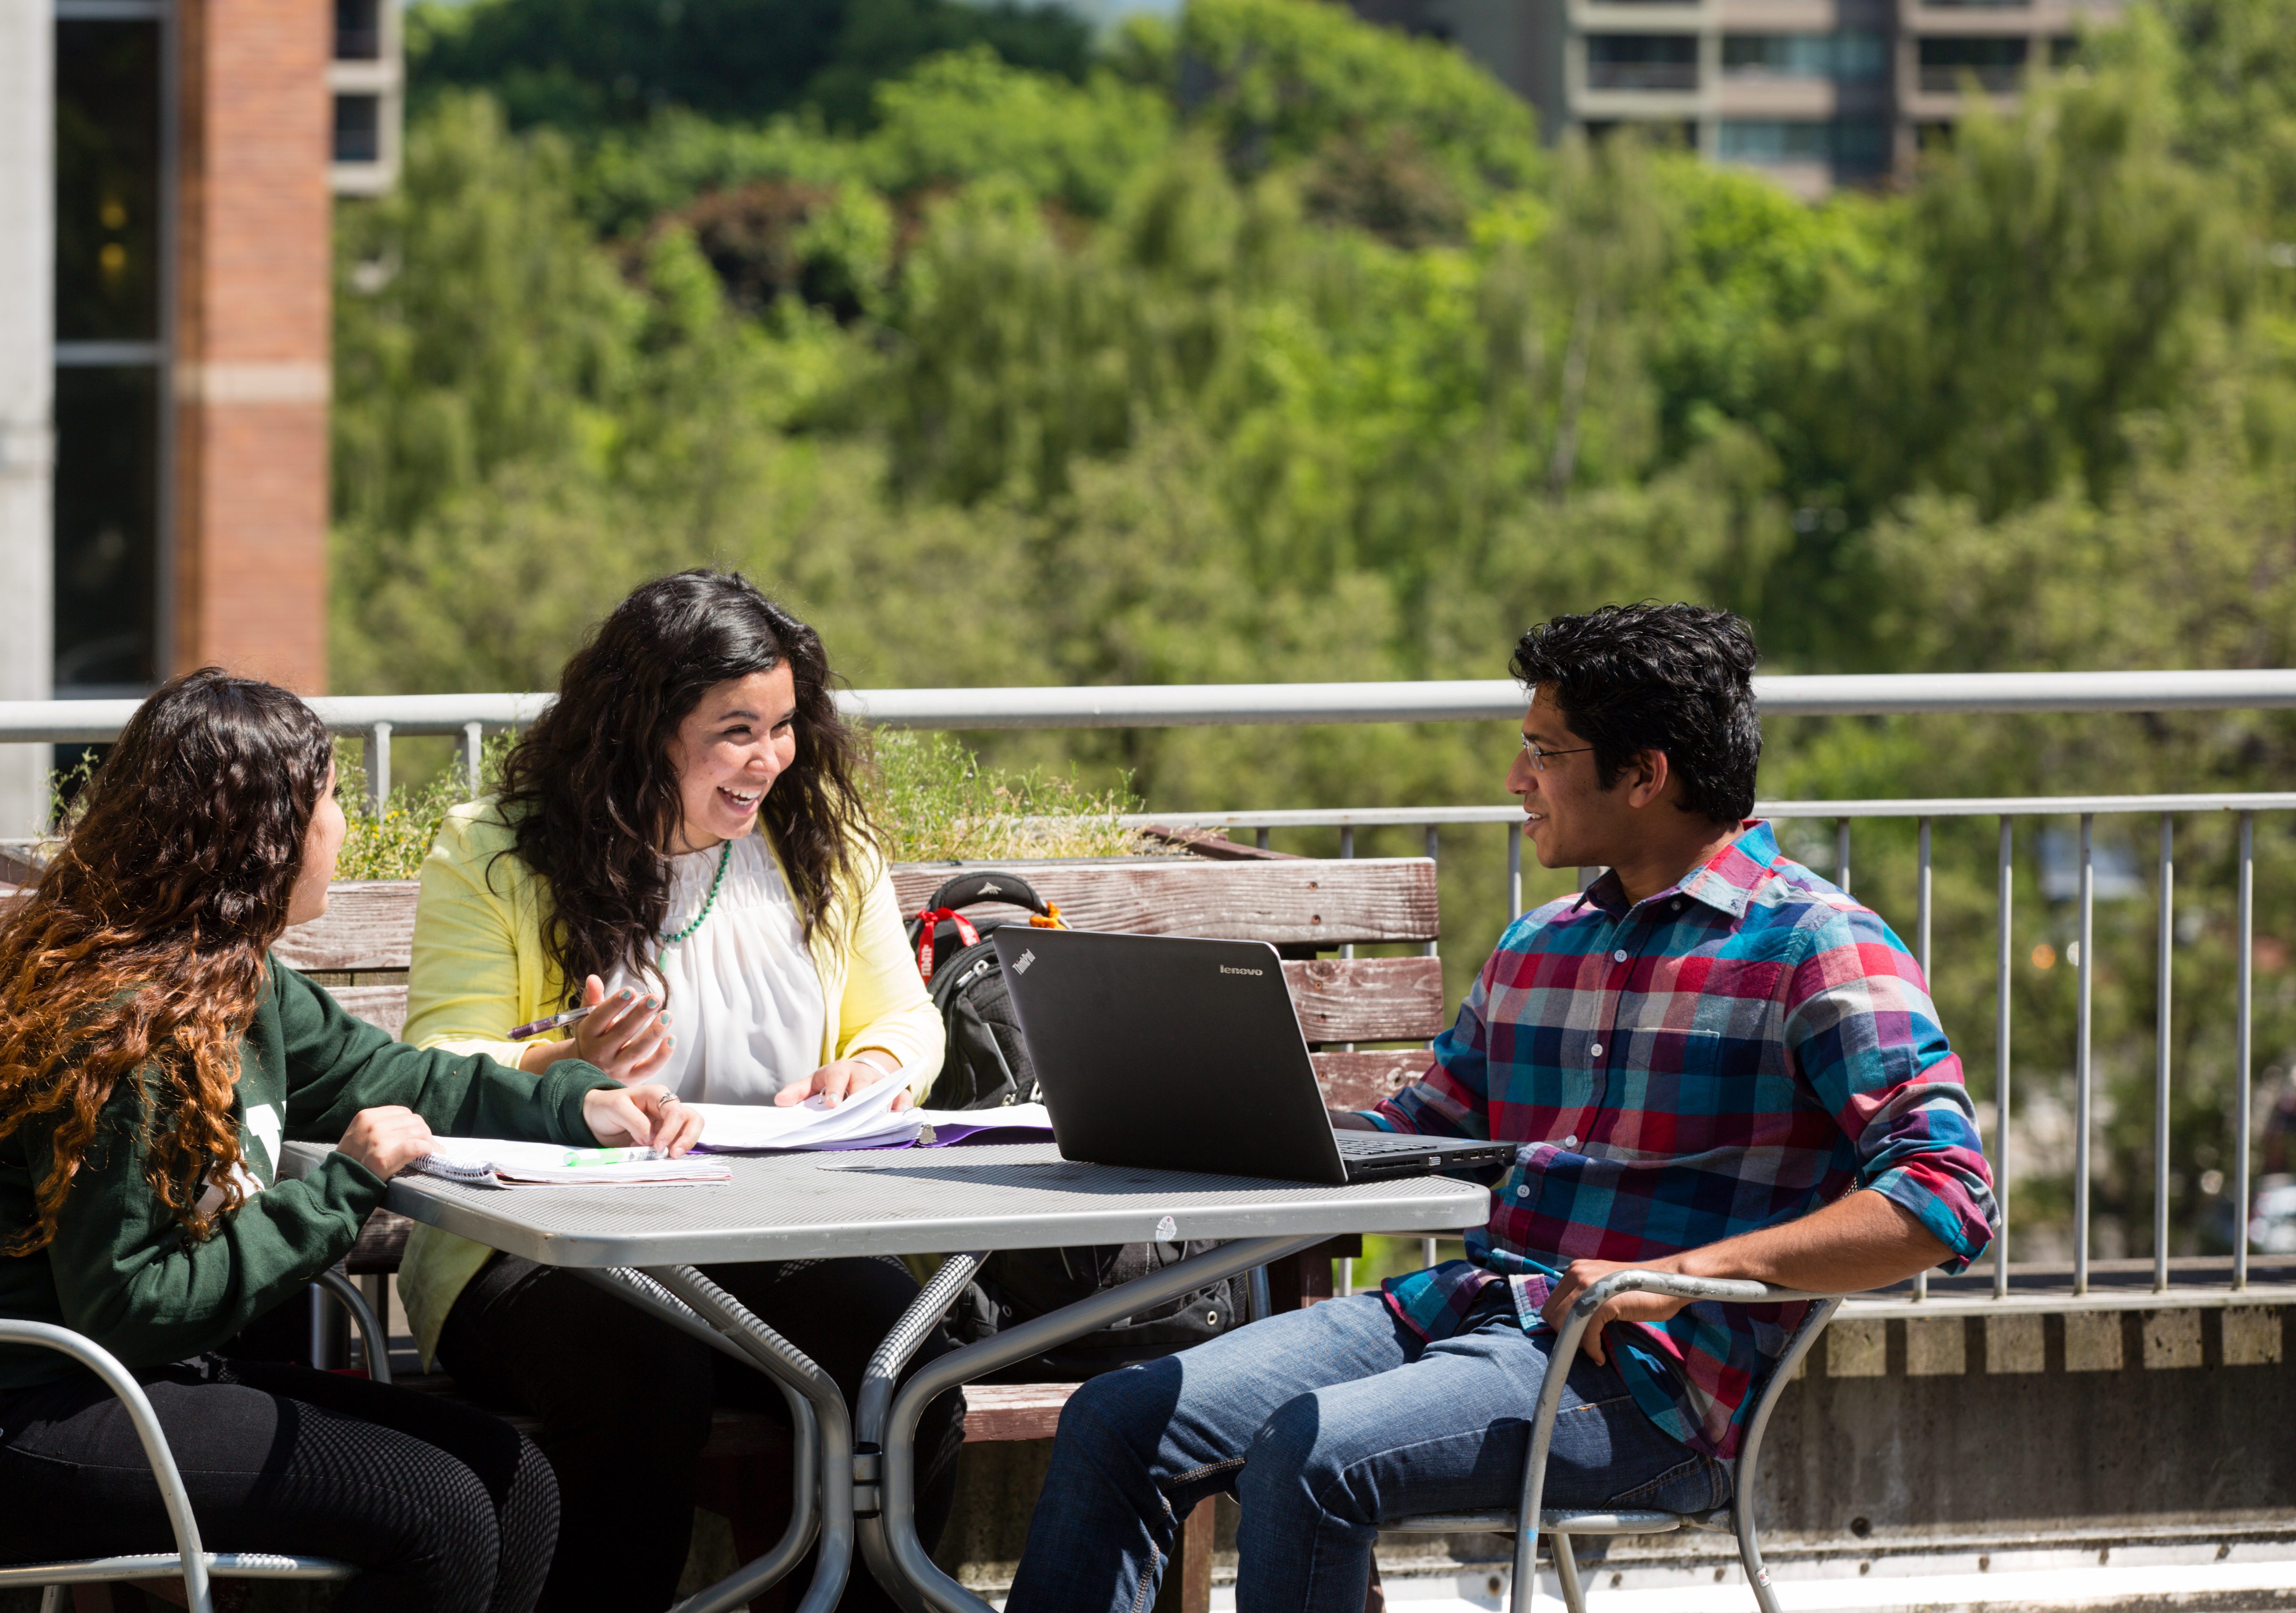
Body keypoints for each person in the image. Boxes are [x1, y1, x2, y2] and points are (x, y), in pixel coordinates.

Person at [1003, 603, 1999, 1613]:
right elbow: (1421, 1135)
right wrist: (1199, 1115)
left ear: (1646, 775)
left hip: (1645, 1384)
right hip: (1466, 1313)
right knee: (1118, 1419)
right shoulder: (1542, 945)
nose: (1515, 781)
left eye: (1543, 751)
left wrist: (1686, 1274)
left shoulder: (1819, 948)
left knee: (1313, 1458)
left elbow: (1945, 1196)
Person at [0, 668, 700, 1613]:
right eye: (331, 799)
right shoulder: (131, 1027)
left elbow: (403, 1079)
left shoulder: (231, 981)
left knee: (514, 1479)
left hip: (129, 1383)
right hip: (7, 1425)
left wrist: (580, 1104)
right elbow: (131, 1302)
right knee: (442, 1511)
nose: (343, 823)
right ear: (262, 835)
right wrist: (343, 1188)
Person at [397, 569, 955, 1613]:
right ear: (645, 725)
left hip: (776, 1230)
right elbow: (437, 1060)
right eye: (735, 730)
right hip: (545, 1246)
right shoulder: (497, 850)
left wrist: (873, 1068)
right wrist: (560, 1066)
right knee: (647, 1373)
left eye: (785, 727)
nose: (769, 760)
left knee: (900, 1351)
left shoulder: (824, 847)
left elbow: (907, 1021)